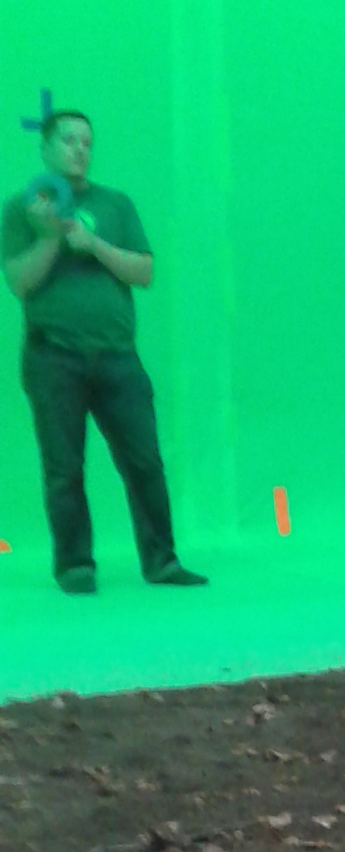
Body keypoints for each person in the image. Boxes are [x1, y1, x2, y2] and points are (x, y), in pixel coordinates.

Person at [2, 109, 206, 593]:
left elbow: (144, 272)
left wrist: (93, 243)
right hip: (53, 358)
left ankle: (162, 562)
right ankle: (75, 566)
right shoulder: (20, 208)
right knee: (64, 467)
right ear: (45, 148)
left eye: (87, 142)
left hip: (118, 357)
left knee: (145, 461)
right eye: (68, 140)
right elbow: (20, 283)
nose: (80, 149)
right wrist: (50, 238)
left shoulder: (116, 204)